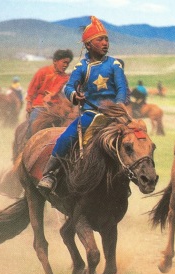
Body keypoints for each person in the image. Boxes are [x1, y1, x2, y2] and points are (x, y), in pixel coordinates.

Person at [37, 16, 128, 194]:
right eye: (100, 39)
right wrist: (74, 95)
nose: (105, 43)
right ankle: (50, 174)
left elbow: (122, 88)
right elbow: (69, 87)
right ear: (88, 45)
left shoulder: (114, 64)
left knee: (137, 139)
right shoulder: (82, 67)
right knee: (65, 138)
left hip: (115, 115)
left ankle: (137, 176)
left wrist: (118, 108)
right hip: (90, 115)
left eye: (106, 39)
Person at [25, 49, 74, 138]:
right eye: (64, 62)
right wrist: (29, 102)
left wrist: (51, 95)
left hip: (56, 105)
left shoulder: (65, 77)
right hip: (40, 104)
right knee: (33, 120)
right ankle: (27, 142)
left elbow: (57, 88)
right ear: (55, 61)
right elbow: (33, 88)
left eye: (68, 63)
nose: (66, 65)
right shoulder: (42, 71)